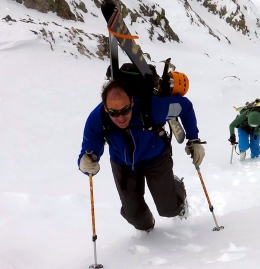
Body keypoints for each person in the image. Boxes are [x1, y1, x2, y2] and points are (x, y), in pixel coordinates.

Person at [78, 79, 205, 232]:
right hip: (124, 164)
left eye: (125, 110)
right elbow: (90, 148)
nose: (120, 117)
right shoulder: (97, 119)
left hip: (156, 158)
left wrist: (194, 139)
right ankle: (148, 228)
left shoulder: (152, 107)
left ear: (131, 102)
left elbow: (185, 107)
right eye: (113, 112)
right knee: (134, 215)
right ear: (106, 108)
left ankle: (177, 188)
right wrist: (85, 162)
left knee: (169, 209)